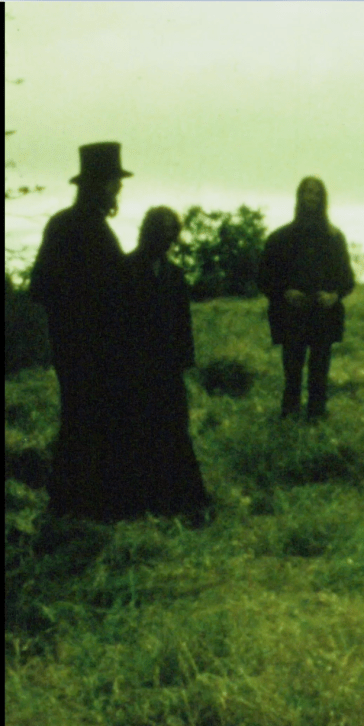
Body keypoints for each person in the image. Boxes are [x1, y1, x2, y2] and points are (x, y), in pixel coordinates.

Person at [29, 142, 137, 522]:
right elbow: (42, 286)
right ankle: (78, 505)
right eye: (113, 183)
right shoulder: (77, 227)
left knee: (84, 420)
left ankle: (77, 503)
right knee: (85, 421)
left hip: (83, 346)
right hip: (84, 347)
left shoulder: (77, 225)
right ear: (101, 186)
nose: (118, 190)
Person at [125, 207, 209, 520]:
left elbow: (182, 323)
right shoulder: (126, 268)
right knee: (140, 434)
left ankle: (181, 502)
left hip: (168, 370)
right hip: (136, 370)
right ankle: (143, 503)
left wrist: (184, 363)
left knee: (174, 431)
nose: (167, 237)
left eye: (171, 230)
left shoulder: (174, 275)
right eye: (160, 229)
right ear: (147, 230)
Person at [257, 177, 356, 420]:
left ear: (323, 199)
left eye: (317, 193)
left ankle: (317, 414)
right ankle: (290, 413)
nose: (311, 197)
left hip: (324, 313)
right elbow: (263, 276)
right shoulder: (281, 238)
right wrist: (284, 292)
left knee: (320, 367)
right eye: (307, 192)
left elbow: (347, 279)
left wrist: (334, 295)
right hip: (292, 314)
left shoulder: (334, 238)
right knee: (292, 367)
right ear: (299, 197)